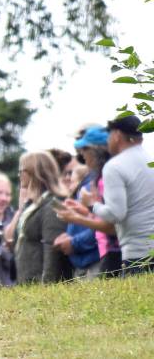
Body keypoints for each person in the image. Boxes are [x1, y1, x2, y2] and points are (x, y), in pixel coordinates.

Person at [70, 116, 154, 275]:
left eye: (109, 135)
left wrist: (91, 205)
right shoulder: (151, 160)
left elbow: (116, 214)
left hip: (136, 253)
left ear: (116, 135)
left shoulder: (114, 166)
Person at [55, 127, 121, 276]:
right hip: (106, 253)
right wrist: (83, 211)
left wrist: (76, 218)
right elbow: (104, 215)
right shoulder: (99, 178)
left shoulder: (106, 178)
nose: (81, 155)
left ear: (96, 151)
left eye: (84, 149)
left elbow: (113, 224)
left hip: (112, 253)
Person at [4, 151, 72, 284]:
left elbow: (52, 247)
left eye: (21, 170)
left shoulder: (52, 204)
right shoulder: (33, 204)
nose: (19, 175)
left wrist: (47, 285)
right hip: (27, 280)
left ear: (33, 171)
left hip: (42, 284)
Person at [52, 127, 104, 279]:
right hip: (84, 265)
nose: (79, 150)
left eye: (83, 147)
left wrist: (74, 243)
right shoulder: (88, 183)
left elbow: (104, 224)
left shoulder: (94, 183)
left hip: (95, 263)